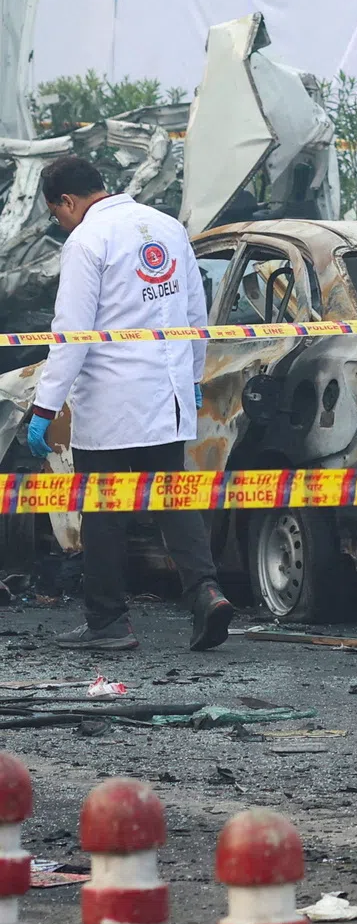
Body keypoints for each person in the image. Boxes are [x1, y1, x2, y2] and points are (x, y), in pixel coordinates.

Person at [25, 155, 233, 652]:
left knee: (104, 512)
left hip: (114, 402)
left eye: (58, 214)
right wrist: (193, 375)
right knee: (173, 501)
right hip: (169, 397)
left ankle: (109, 624)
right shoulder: (166, 227)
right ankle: (206, 593)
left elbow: (71, 336)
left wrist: (44, 407)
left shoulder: (86, 241)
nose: (62, 223)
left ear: (69, 201)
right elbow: (193, 314)